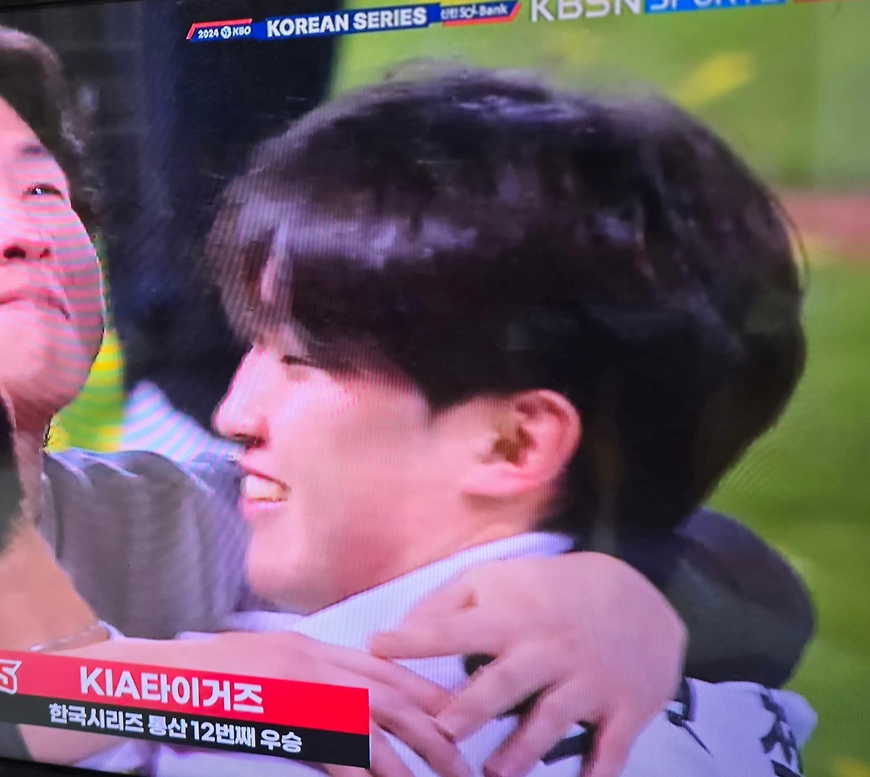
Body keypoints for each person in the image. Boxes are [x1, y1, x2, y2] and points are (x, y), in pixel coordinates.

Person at [0, 17, 811, 773]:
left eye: (46, 194)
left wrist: (615, 588)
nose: (23, 234)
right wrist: (196, 689)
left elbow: (715, 565)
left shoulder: (179, 506)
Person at [0, 218, 810, 777]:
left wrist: (620, 591)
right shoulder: (346, 655)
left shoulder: (270, 624)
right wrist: (175, 684)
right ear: (3, 413)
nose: (232, 411)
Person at [159, 65, 815, 776]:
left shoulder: (296, 743)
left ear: (512, 443)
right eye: (254, 345)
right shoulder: (719, 703)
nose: (233, 415)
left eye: (301, 359)